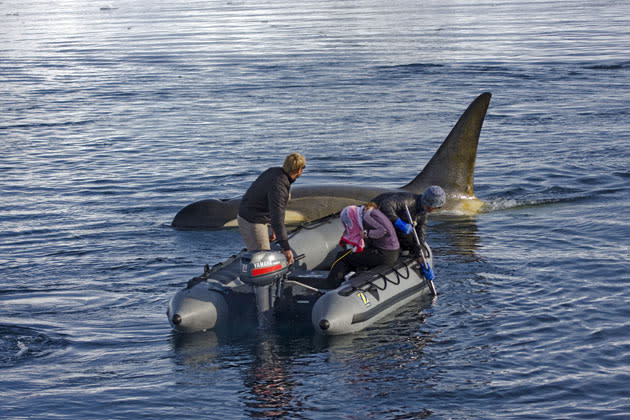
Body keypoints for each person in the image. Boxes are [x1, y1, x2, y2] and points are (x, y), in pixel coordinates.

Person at [237, 153, 306, 265]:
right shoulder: (279, 187)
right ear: (299, 170)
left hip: (255, 214)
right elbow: (278, 218)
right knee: (262, 260)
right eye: (303, 168)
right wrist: (286, 248)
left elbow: (274, 209)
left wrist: (274, 232)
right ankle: (259, 282)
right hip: (252, 220)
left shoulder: (274, 172)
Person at [325, 202, 400, 289]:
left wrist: (367, 233)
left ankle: (331, 286)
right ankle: (349, 278)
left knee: (342, 256)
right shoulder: (371, 212)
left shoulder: (366, 217)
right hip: (391, 252)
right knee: (355, 255)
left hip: (384, 254)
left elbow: (383, 231)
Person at [371, 185, 446, 253]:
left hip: (391, 221)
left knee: (411, 241)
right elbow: (385, 205)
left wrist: (420, 247)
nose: (432, 210)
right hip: (374, 213)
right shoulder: (408, 200)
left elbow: (420, 230)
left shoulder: (423, 213)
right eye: (431, 207)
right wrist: (398, 222)